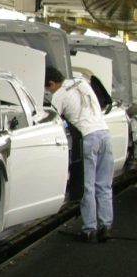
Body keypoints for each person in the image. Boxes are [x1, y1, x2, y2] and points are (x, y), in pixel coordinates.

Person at [45, 67, 113, 242]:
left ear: (52, 83)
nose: (48, 91)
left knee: (87, 186)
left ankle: (90, 230)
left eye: (48, 88)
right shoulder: (80, 82)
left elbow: (53, 120)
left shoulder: (58, 95)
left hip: (88, 138)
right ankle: (106, 227)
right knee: (104, 185)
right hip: (105, 134)